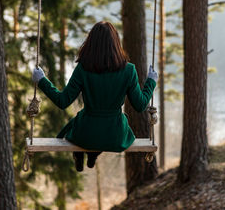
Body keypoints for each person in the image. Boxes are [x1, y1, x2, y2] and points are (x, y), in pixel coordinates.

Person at [32, 21, 158, 172]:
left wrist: (42, 80)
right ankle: (92, 154)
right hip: (115, 136)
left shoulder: (83, 69)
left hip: (86, 133)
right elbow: (140, 105)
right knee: (107, 128)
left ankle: (84, 153)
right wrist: (151, 81)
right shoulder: (128, 70)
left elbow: (62, 101)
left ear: (91, 43)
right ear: (116, 43)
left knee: (82, 122)